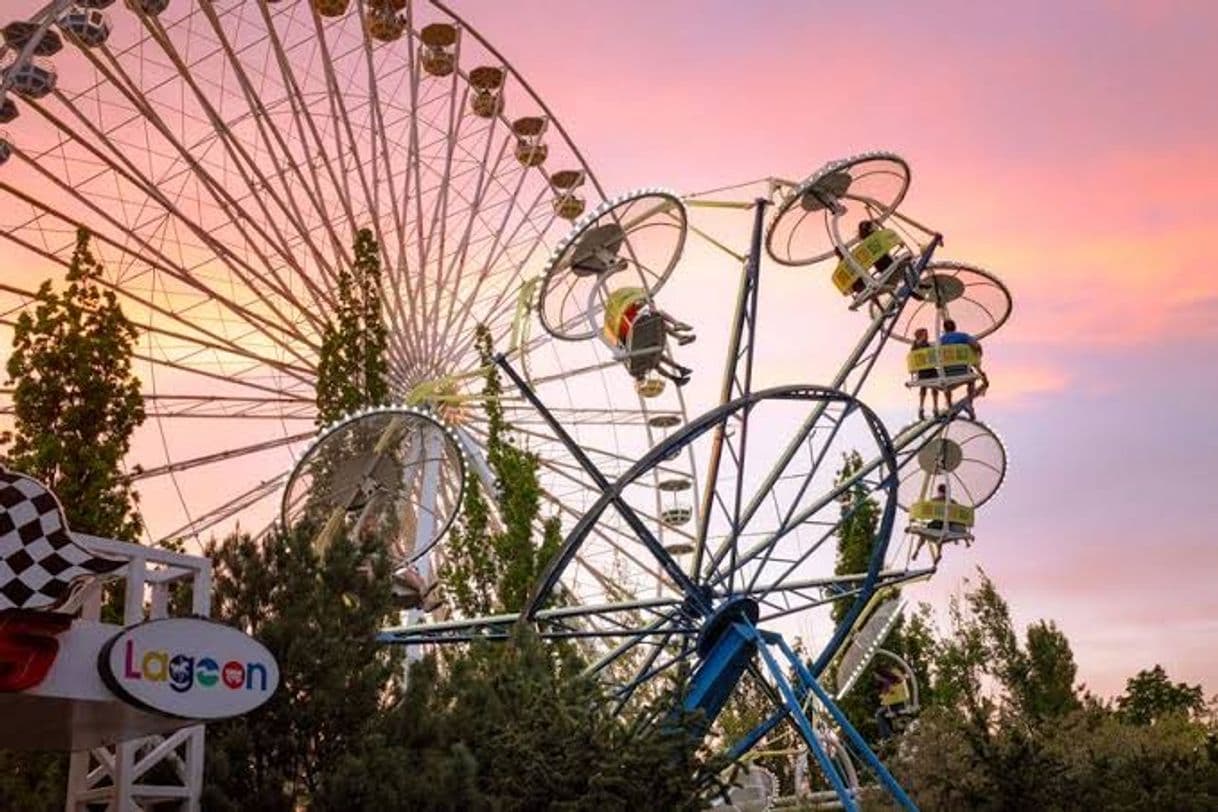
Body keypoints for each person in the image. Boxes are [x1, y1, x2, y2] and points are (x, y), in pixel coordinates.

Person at [938, 318, 988, 419]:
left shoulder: (941, 340)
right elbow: (976, 346)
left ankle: (949, 404)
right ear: (954, 327)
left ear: (945, 329)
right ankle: (970, 402)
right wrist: (978, 354)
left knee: (946, 384)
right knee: (971, 379)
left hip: (947, 371)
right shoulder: (963, 336)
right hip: (962, 369)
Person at [911, 327, 940, 419]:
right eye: (925, 334)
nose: (927, 336)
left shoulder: (926, 345)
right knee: (924, 388)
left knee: (934, 388)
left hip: (929, 368)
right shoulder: (916, 346)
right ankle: (922, 408)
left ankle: (935, 408)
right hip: (923, 369)